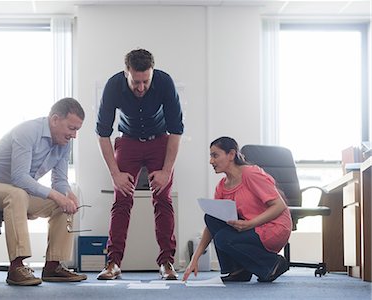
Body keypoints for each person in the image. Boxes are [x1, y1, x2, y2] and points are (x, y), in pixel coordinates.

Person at [0, 97, 88, 286]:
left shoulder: (64, 144)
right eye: (71, 128)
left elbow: (59, 180)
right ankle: (16, 267)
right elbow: (19, 178)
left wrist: (67, 194)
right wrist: (56, 194)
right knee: (18, 194)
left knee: (63, 203)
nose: (74, 135)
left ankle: (53, 266)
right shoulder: (27, 131)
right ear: (55, 119)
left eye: (77, 130)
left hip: (18, 192)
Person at [95, 49, 184, 280]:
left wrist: (166, 171)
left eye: (146, 81)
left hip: (160, 142)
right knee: (122, 200)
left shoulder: (164, 82)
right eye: (136, 81)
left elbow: (176, 131)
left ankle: (167, 262)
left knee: (163, 200)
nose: (141, 87)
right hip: (128, 143)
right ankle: (113, 262)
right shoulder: (113, 85)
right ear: (127, 73)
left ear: (152, 73)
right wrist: (115, 173)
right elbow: (102, 134)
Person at [183, 136, 292, 283]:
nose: (211, 161)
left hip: (274, 227)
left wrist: (250, 223)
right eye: (210, 156)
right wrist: (194, 259)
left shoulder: (250, 174)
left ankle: (272, 264)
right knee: (211, 218)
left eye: (215, 155)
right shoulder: (222, 186)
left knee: (223, 238)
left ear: (231, 155)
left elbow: (279, 206)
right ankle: (237, 271)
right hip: (252, 227)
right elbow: (211, 225)